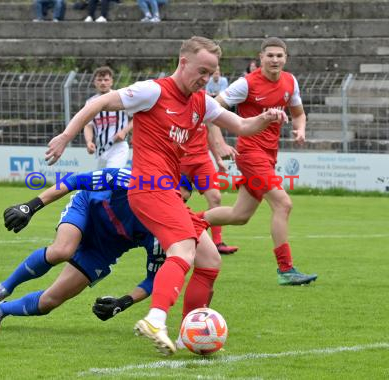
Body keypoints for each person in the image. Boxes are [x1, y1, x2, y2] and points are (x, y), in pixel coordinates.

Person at [45, 36, 288, 355]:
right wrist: (65, 136)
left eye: (211, 72)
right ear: (183, 62)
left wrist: (266, 118)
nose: (205, 78)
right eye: (202, 70)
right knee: (183, 250)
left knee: (210, 259)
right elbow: (98, 103)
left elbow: (241, 126)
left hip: (168, 192)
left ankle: (191, 330)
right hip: (148, 187)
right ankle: (156, 318)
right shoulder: (153, 91)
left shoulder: (203, 101)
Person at [0, 168, 176, 330]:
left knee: (50, 301)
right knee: (63, 250)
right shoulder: (127, 179)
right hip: (86, 209)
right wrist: (30, 207)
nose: (174, 201)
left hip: (103, 250)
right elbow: (74, 181)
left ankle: (1, 311)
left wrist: (123, 302)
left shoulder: (162, 232)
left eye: (180, 199)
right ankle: (3, 288)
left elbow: (153, 280)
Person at [203, 37, 318, 286]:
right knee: (283, 204)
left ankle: (190, 222)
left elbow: (298, 113)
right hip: (251, 154)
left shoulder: (290, 81)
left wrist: (301, 130)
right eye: (270, 55)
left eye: (279, 55)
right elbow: (211, 108)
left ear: (285, 58)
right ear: (261, 57)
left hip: (268, 156)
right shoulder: (247, 84)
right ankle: (286, 269)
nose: (275, 60)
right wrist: (220, 143)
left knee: (239, 215)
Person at [180, 124, 238, 255]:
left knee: (215, 198)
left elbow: (211, 134)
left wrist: (218, 159)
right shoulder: (176, 107)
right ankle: (178, 235)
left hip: (202, 161)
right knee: (178, 200)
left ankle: (217, 242)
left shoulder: (205, 106)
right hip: (180, 161)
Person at [84, 66, 132, 169]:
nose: (103, 83)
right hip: (101, 149)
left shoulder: (120, 98)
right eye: (99, 80)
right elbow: (88, 125)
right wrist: (89, 141)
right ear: (94, 82)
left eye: (106, 80)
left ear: (111, 82)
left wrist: (124, 132)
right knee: (101, 183)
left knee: (111, 177)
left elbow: (137, 117)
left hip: (119, 147)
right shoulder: (90, 102)